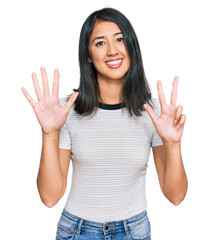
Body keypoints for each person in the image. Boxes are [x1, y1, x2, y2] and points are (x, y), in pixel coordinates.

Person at [21, 7, 188, 240]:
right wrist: (50, 133)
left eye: (120, 39)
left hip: (134, 232)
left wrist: (172, 144)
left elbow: (176, 195)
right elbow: (50, 197)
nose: (112, 51)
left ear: (131, 46)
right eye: (100, 43)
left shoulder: (155, 113)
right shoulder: (65, 111)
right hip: (77, 232)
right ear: (88, 54)